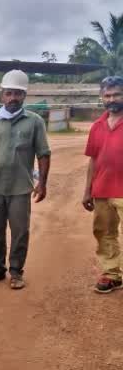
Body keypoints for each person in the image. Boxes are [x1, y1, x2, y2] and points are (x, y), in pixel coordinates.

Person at [0, 70, 51, 290]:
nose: (13, 98)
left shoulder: (34, 121)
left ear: (24, 96)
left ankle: (16, 272)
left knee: (20, 231)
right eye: (9, 93)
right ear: (2, 95)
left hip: (20, 189)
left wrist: (42, 183)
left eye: (17, 94)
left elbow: (44, 154)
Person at [82, 76, 123, 293]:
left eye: (116, 94)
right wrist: (87, 190)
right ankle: (112, 274)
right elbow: (93, 159)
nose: (112, 99)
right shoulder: (97, 126)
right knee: (104, 232)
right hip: (102, 190)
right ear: (102, 98)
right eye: (107, 95)